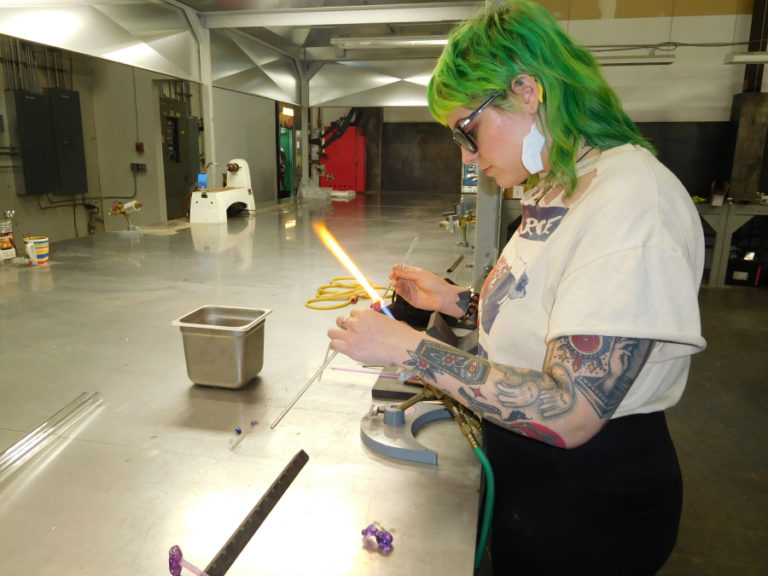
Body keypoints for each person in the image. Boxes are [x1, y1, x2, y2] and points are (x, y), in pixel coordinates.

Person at [327, 1, 706, 574]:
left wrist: (411, 350)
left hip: (586, 509)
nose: (468, 155)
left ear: (526, 91)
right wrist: (456, 300)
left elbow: (572, 410)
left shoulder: (631, 205)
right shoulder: (560, 186)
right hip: (530, 485)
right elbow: (550, 309)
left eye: (468, 130)